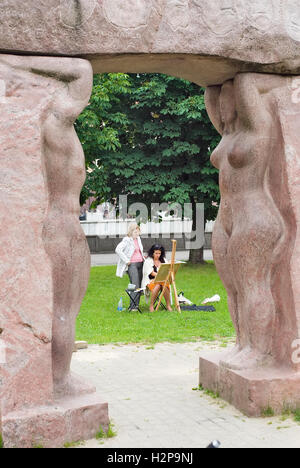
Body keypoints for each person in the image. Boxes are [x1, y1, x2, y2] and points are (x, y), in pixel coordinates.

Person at [115, 223, 144, 311]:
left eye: (138, 232)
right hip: (132, 264)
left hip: (141, 263)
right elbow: (118, 250)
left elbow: (139, 251)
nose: (137, 234)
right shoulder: (127, 240)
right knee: (135, 285)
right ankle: (133, 306)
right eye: (135, 232)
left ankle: (136, 305)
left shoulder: (138, 239)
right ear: (131, 232)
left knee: (140, 285)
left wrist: (143, 257)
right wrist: (127, 261)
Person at [142, 244, 172, 312]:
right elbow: (151, 273)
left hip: (162, 280)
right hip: (150, 281)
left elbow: (167, 270)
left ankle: (168, 305)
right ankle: (151, 305)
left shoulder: (163, 260)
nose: (158, 255)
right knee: (158, 285)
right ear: (152, 253)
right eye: (156, 253)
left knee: (164, 284)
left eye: (159, 253)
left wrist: (170, 264)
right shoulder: (148, 261)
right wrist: (160, 276)